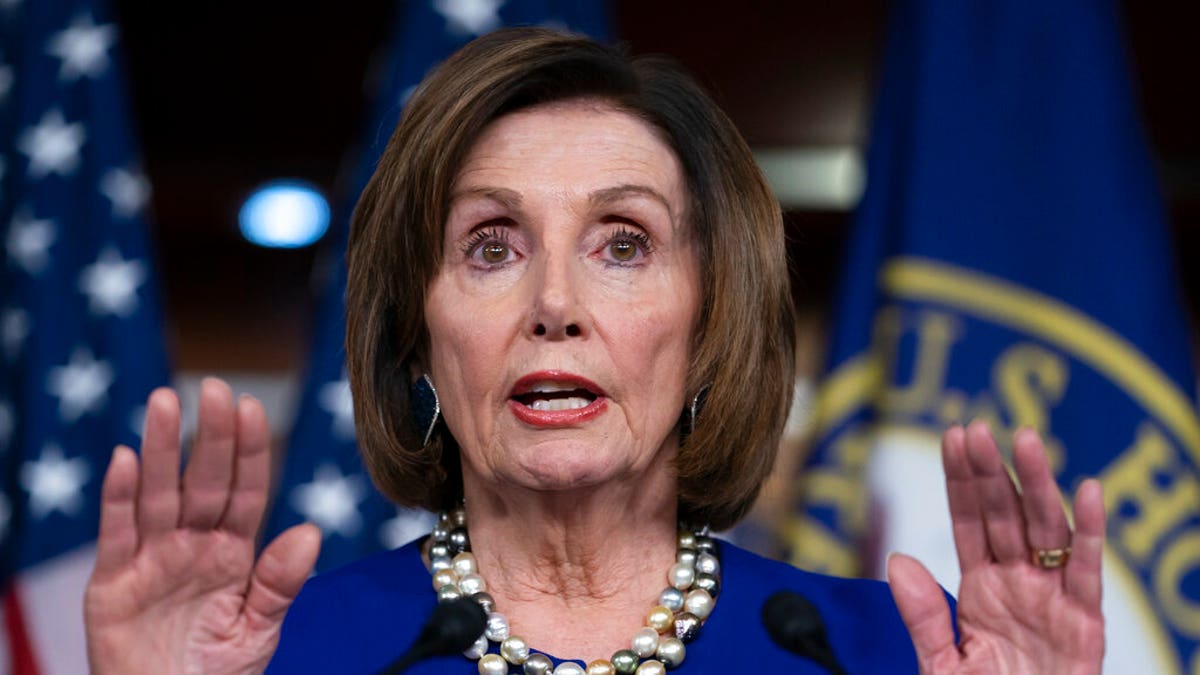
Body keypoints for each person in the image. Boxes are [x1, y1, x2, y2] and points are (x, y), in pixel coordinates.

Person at [82, 27, 1105, 674]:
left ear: (712, 327)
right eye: (491, 247)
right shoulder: (273, 656)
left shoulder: (887, 655)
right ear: (419, 335)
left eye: (624, 245)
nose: (555, 303)